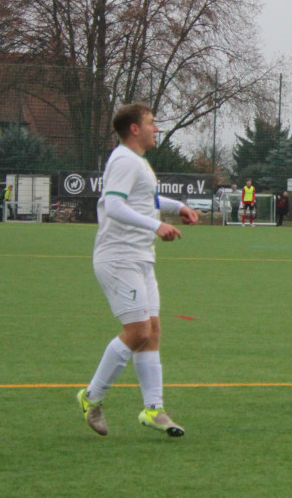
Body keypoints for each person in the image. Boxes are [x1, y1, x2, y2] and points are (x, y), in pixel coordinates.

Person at [76, 103, 200, 437]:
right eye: (151, 122)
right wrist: (157, 227)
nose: (156, 128)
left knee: (152, 330)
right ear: (134, 129)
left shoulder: (137, 162)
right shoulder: (124, 160)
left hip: (140, 256)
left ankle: (153, 409)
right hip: (118, 257)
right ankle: (92, 397)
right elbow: (114, 205)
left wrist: (178, 208)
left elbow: (146, 201)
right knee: (138, 332)